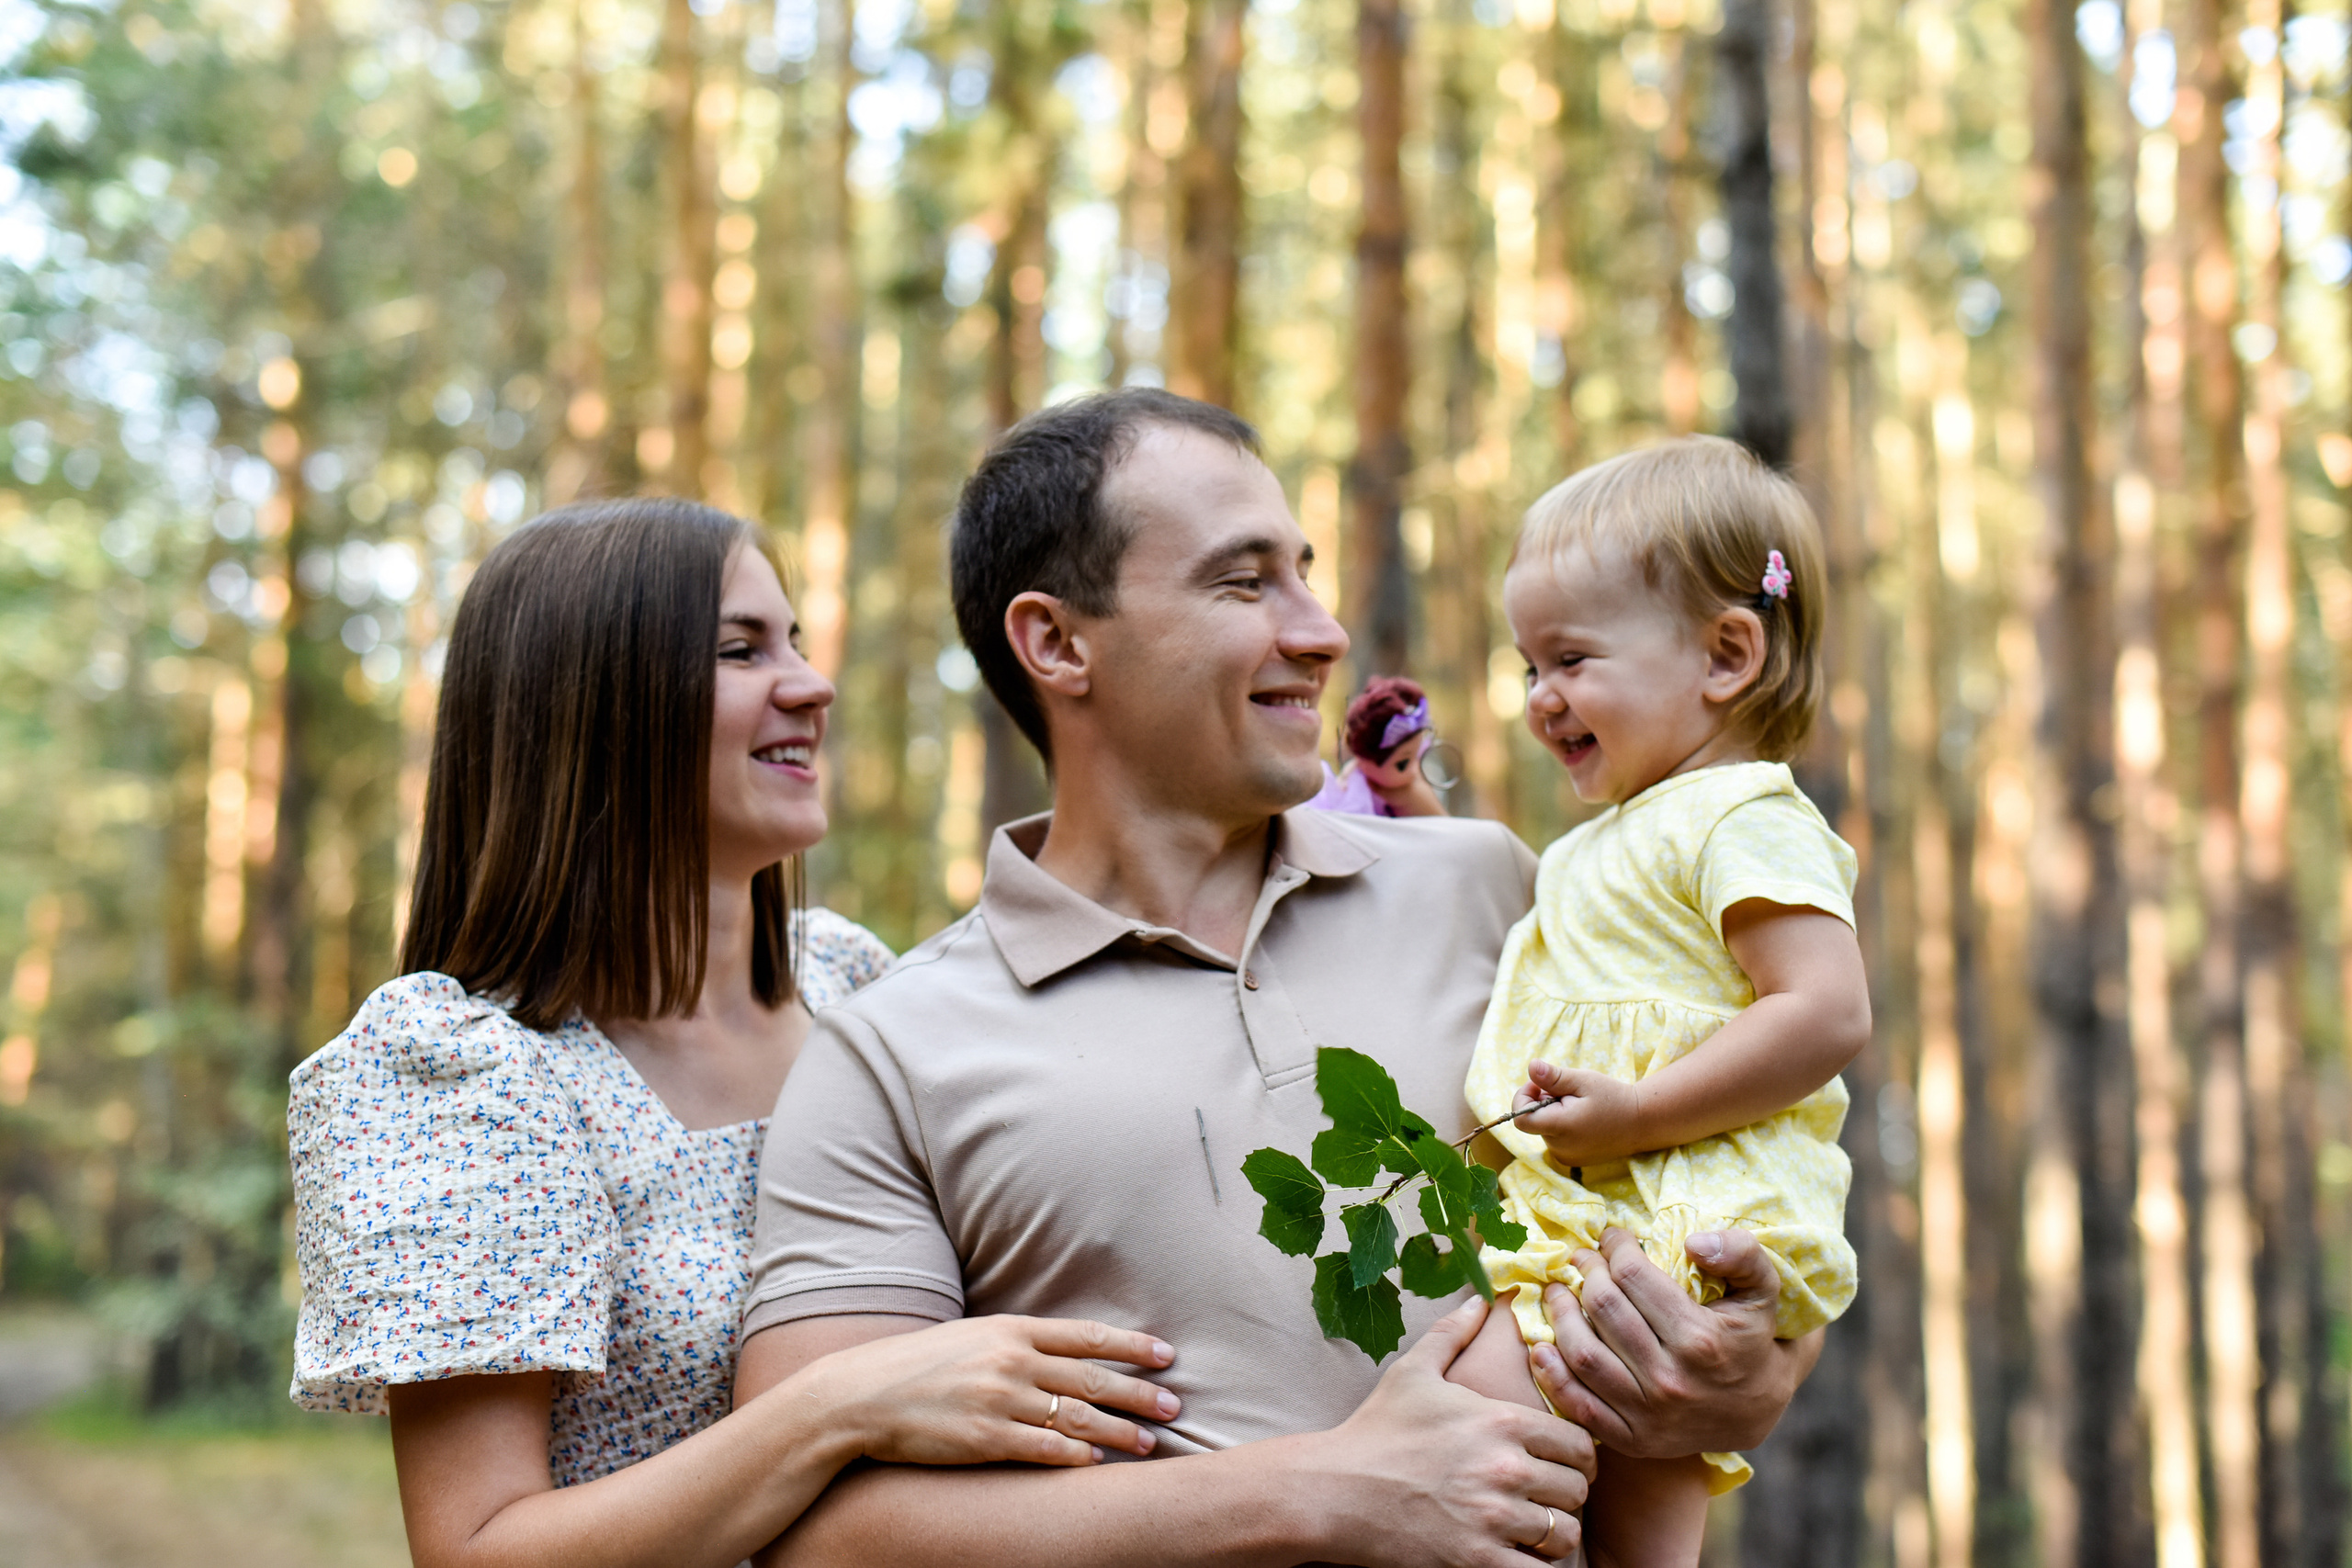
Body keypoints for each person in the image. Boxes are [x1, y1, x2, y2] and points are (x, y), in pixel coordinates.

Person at [734, 390, 1820, 1568]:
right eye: (1244, 583)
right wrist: (1317, 1495)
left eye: (1303, 572)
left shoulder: (1497, 891)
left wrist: (1749, 1374)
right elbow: (812, 1530)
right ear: (1056, 643)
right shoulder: (890, 1053)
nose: (1323, 630)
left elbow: (1749, 1179)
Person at [286, 499, 1182, 1568]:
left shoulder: (850, 982)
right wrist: (839, 1407)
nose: (811, 684)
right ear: (595, 708)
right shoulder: (460, 1077)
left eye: (795, 641)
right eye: (740, 650)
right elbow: (478, 1548)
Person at [1445, 438, 1871, 1568]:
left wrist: (1639, 1113)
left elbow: (1825, 1013)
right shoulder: (1619, 831)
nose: (1541, 699)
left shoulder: (1743, 818)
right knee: (1613, 1520)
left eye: (1571, 659)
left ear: (1728, 654)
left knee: (1487, 1411)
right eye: (1529, 665)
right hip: (1606, 1209)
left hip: (1676, 1211)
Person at [1305, 674, 1448, 818]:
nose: (1413, 772)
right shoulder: (1358, 797)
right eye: (1402, 764)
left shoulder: (1410, 784)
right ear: (1367, 760)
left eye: (1417, 756)